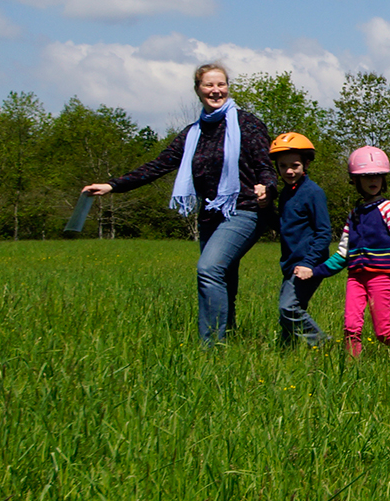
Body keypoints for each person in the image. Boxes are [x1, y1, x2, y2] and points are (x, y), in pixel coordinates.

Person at [83, 63, 275, 346]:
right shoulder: (192, 133)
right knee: (224, 280)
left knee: (209, 270)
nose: (216, 90)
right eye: (208, 85)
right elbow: (158, 165)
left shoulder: (247, 124)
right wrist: (113, 185)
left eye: (220, 84)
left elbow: (264, 163)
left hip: (243, 210)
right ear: (198, 90)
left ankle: (210, 348)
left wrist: (267, 187)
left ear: (228, 87)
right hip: (209, 215)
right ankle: (227, 342)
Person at [311, 146, 390, 358]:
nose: (373, 180)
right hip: (355, 278)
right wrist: (315, 272)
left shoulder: (389, 208)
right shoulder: (354, 214)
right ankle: (353, 371)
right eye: (366, 177)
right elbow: (343, 254)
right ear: (355, 181)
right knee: (351, 328)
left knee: (383, 332)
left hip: (380, 277)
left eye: (378, 176)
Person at [268, 132, 330, 349]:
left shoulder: (313, 193)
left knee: (288, 307)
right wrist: (265, 208)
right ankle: (286, 351)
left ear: (306, 164)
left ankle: (323, 344)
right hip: (290, 263)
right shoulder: (286, 194)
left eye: (295, 165)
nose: (289, 171)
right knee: (290, 312)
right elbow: (283, 226)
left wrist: (308, 263)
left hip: (309, 264)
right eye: (283, 166)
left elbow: (324, 232)